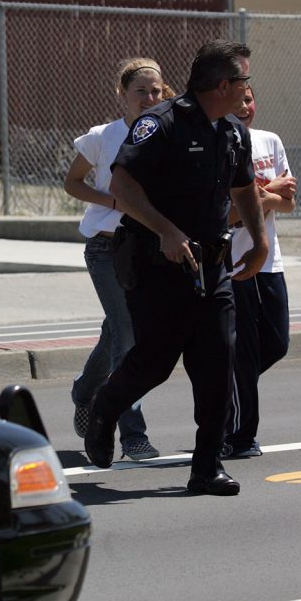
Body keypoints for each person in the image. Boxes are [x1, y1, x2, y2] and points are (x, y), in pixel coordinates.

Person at [82, 40, 268, 496]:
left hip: (212, 265)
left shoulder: (232, 133)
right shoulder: (159, 124)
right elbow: (122, 186)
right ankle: (105, 406)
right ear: (224, 84)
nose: (247, 89)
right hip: (156, 262)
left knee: (217, 360)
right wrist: (165, 230)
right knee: (155, 362)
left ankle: (206, 467)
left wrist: (259, 241)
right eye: (244, 80)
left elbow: (244, 188)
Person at [64, 58, 169, 461]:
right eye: (141, 91)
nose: (149, 98)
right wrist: (111, 199)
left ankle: (85, 391)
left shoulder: (167, 133)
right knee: (128, 333)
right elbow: (73, 183)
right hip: (107, 247)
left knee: (118, 331)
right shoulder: (102, 137)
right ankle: (132, 435)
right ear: (122, 95)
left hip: (149, 248)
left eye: (156, 90)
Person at [223, 85, 297, 457]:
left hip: (270, 260)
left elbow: (289, 203)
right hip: (234, 264)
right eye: (236, 101)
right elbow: (228, 213)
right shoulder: (219, 143)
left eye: (249, 99)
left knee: (277, 343)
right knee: (245, 352)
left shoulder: (270, 141)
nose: (244, 107)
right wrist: (269, 194)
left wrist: (261, 196)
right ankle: (239, 436)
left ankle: (223, 396)